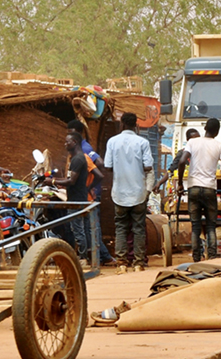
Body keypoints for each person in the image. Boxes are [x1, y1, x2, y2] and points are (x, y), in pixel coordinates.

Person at [173, 118, 221, 262]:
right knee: (211, 225)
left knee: (196, 225)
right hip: (209, 189)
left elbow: (181, 162)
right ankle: (212, 257)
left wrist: (180, 184)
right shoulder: (220, 146)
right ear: (217, 132)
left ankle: (196, 258)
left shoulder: (192, 142)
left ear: (205, 128)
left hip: (193, 188)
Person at [104, 113, 154, 273]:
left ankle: (121, 263)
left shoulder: (112, 142)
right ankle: (139, 263)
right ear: (135, 125)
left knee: (120, 228)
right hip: (138, 192)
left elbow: (108, 166)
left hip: (119, 192)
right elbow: (148, 166)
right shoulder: (143, 142)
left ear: (122, 124)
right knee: (138, 228)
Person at [45, 130, 103, 259]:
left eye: (67, 142)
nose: (65, 144)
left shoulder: (78, 159)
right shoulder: (78, 158)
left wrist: (52, 181)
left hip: (76, 200)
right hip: (79, 197)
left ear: (75, 142)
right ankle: (87, 257)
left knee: (78, 230)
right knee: (83, 229)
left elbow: (71, 181)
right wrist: (58, 182)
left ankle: (82, 258)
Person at [68, 119, 113, 265]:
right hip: (87, 193)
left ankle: (98, 257)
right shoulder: (81, 151)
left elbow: (100, 164)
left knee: (88, 227)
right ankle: (98, 256)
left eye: (69, 136)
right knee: (88, 227)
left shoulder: (84, 150)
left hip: (88, 195)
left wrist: (89, 186)